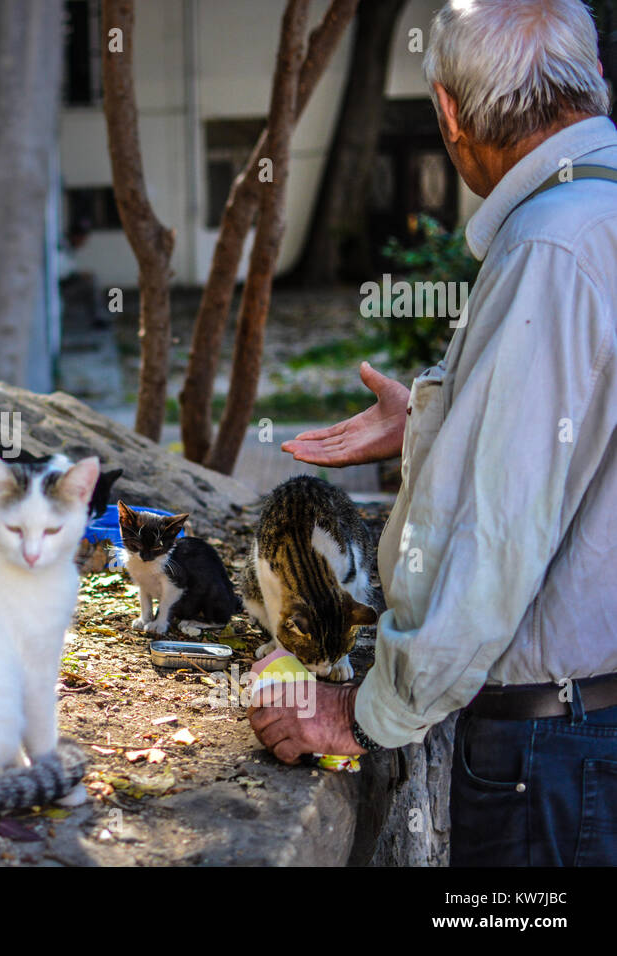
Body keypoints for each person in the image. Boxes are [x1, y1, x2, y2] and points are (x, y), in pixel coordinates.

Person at [248, 0, 617, 867]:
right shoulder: (593, 218)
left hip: (554, 758)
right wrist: (436, 420)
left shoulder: (551, 250)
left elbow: (496, 539)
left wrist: (363, 711)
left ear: (449, 116)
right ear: (593, 79)